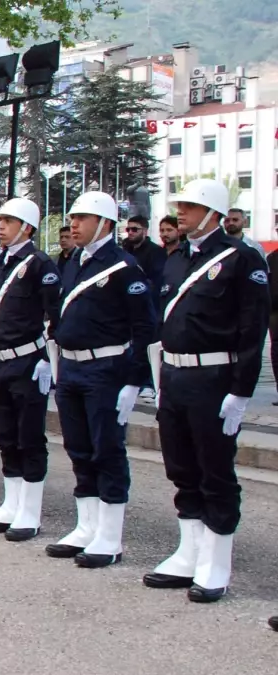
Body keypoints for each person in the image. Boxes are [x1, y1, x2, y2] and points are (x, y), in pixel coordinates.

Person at [143, 179, 268, 602]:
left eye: (191, 207)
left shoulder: (240, 258)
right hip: (176, 375)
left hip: (214, 378)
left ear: (214, 213)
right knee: (181, 467)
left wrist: (241, 391)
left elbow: (253, 329)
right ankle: (190, 551)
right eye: (180, 205)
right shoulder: (177, 258)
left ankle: (215, 562)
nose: (182, 212)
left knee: (215, 470)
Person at [46, 192, 155, 569]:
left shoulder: (123, 267)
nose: (73, 224)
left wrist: (134, 381)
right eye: (73, 217)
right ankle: (87, 525)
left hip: (106, 369)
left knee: (107, 450)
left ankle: (110, 535)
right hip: (73, 368)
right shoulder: (75, 261)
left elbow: (144, 328)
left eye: (83, 218)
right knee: (78, 448)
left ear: (105, 224)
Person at [0, 199, 61, 541]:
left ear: (26, 227)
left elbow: (54, 314)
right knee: (6, 434)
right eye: (0, 220)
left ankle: (30, 509)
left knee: (29, 436)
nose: (1, 226)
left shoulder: (40, 265)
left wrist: (45, 357)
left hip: (28, 359)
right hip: (1, 358)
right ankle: (11, 502)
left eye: (8, 220)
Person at [121, 215, 166, 311]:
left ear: (145, 231)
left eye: (134, 229)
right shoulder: (125, 249)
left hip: (144, 302)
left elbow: (156, 281)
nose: (130, 232)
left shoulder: (156, 251)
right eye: (128, 229)